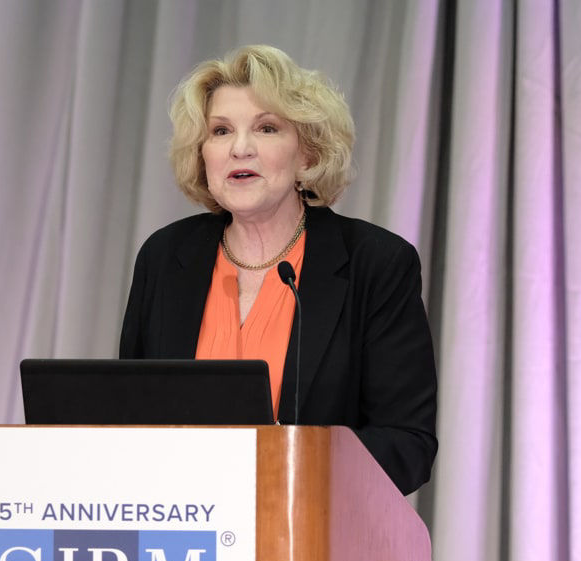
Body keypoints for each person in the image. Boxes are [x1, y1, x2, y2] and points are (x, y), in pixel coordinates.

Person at [119, 45, 438, 496]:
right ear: (202, 154)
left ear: (307, 155)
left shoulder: (376, 262)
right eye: (221, 131)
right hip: (179, 541)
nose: (240, 148)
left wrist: (286, 467)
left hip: (309, 537)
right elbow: (124, 416)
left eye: (266, 128)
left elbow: (407, 445)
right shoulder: (166, 257)